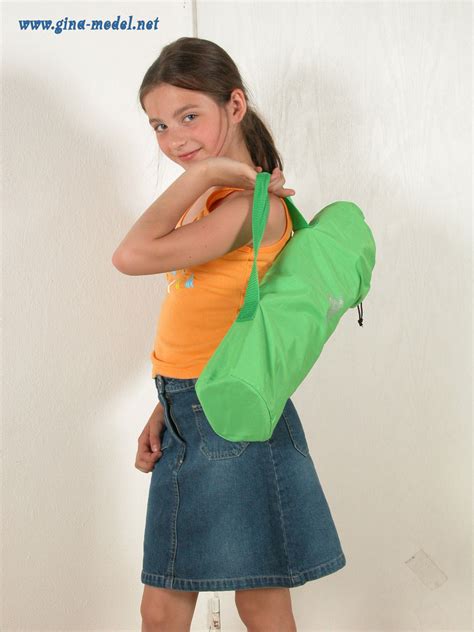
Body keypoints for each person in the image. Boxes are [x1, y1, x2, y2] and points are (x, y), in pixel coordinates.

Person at [112, 36, 346, 632]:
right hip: (198, 404)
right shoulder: (222, 201)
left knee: (204, 605)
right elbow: (212, 322)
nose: (174, 139)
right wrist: (167, 404)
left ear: (235, 105)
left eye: (190, 116)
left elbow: (131, 254)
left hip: (227, 419)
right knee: (213, 602)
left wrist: (209, 172)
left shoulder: (247, 207)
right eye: (159, 125)